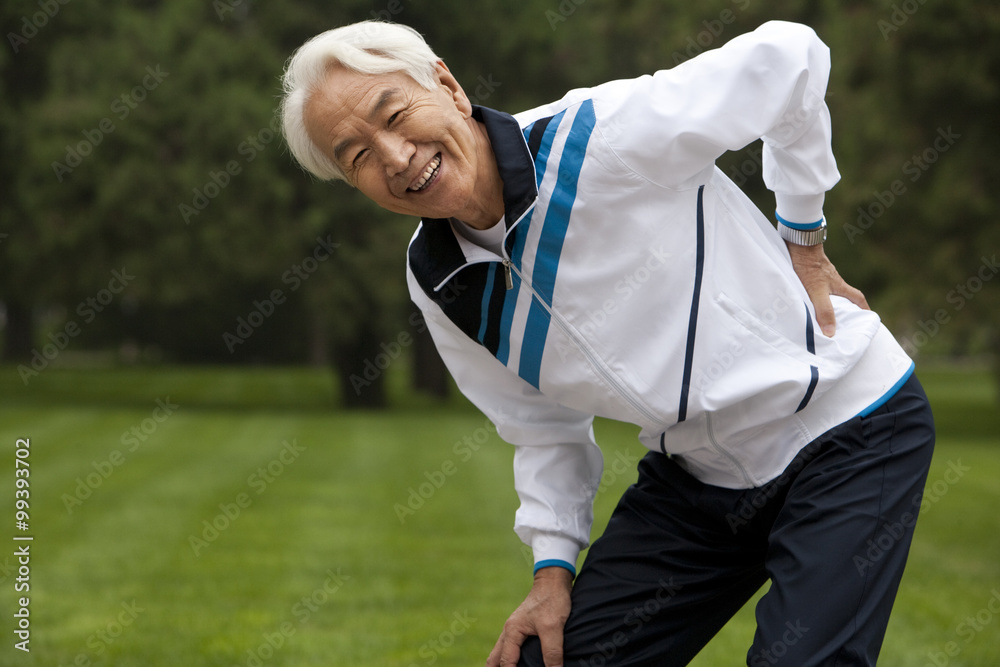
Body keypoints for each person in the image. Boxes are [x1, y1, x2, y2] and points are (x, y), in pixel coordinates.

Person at [279, 19, 935, 666]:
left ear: (446, 85)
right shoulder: (438, 278)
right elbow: (539, 428)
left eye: (393, 115)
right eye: (358, 155)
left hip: (849, 423)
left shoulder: (601, 135)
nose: (395, 157)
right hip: (700, 480)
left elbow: (790, 59)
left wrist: (804, 235)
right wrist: (552, 570)